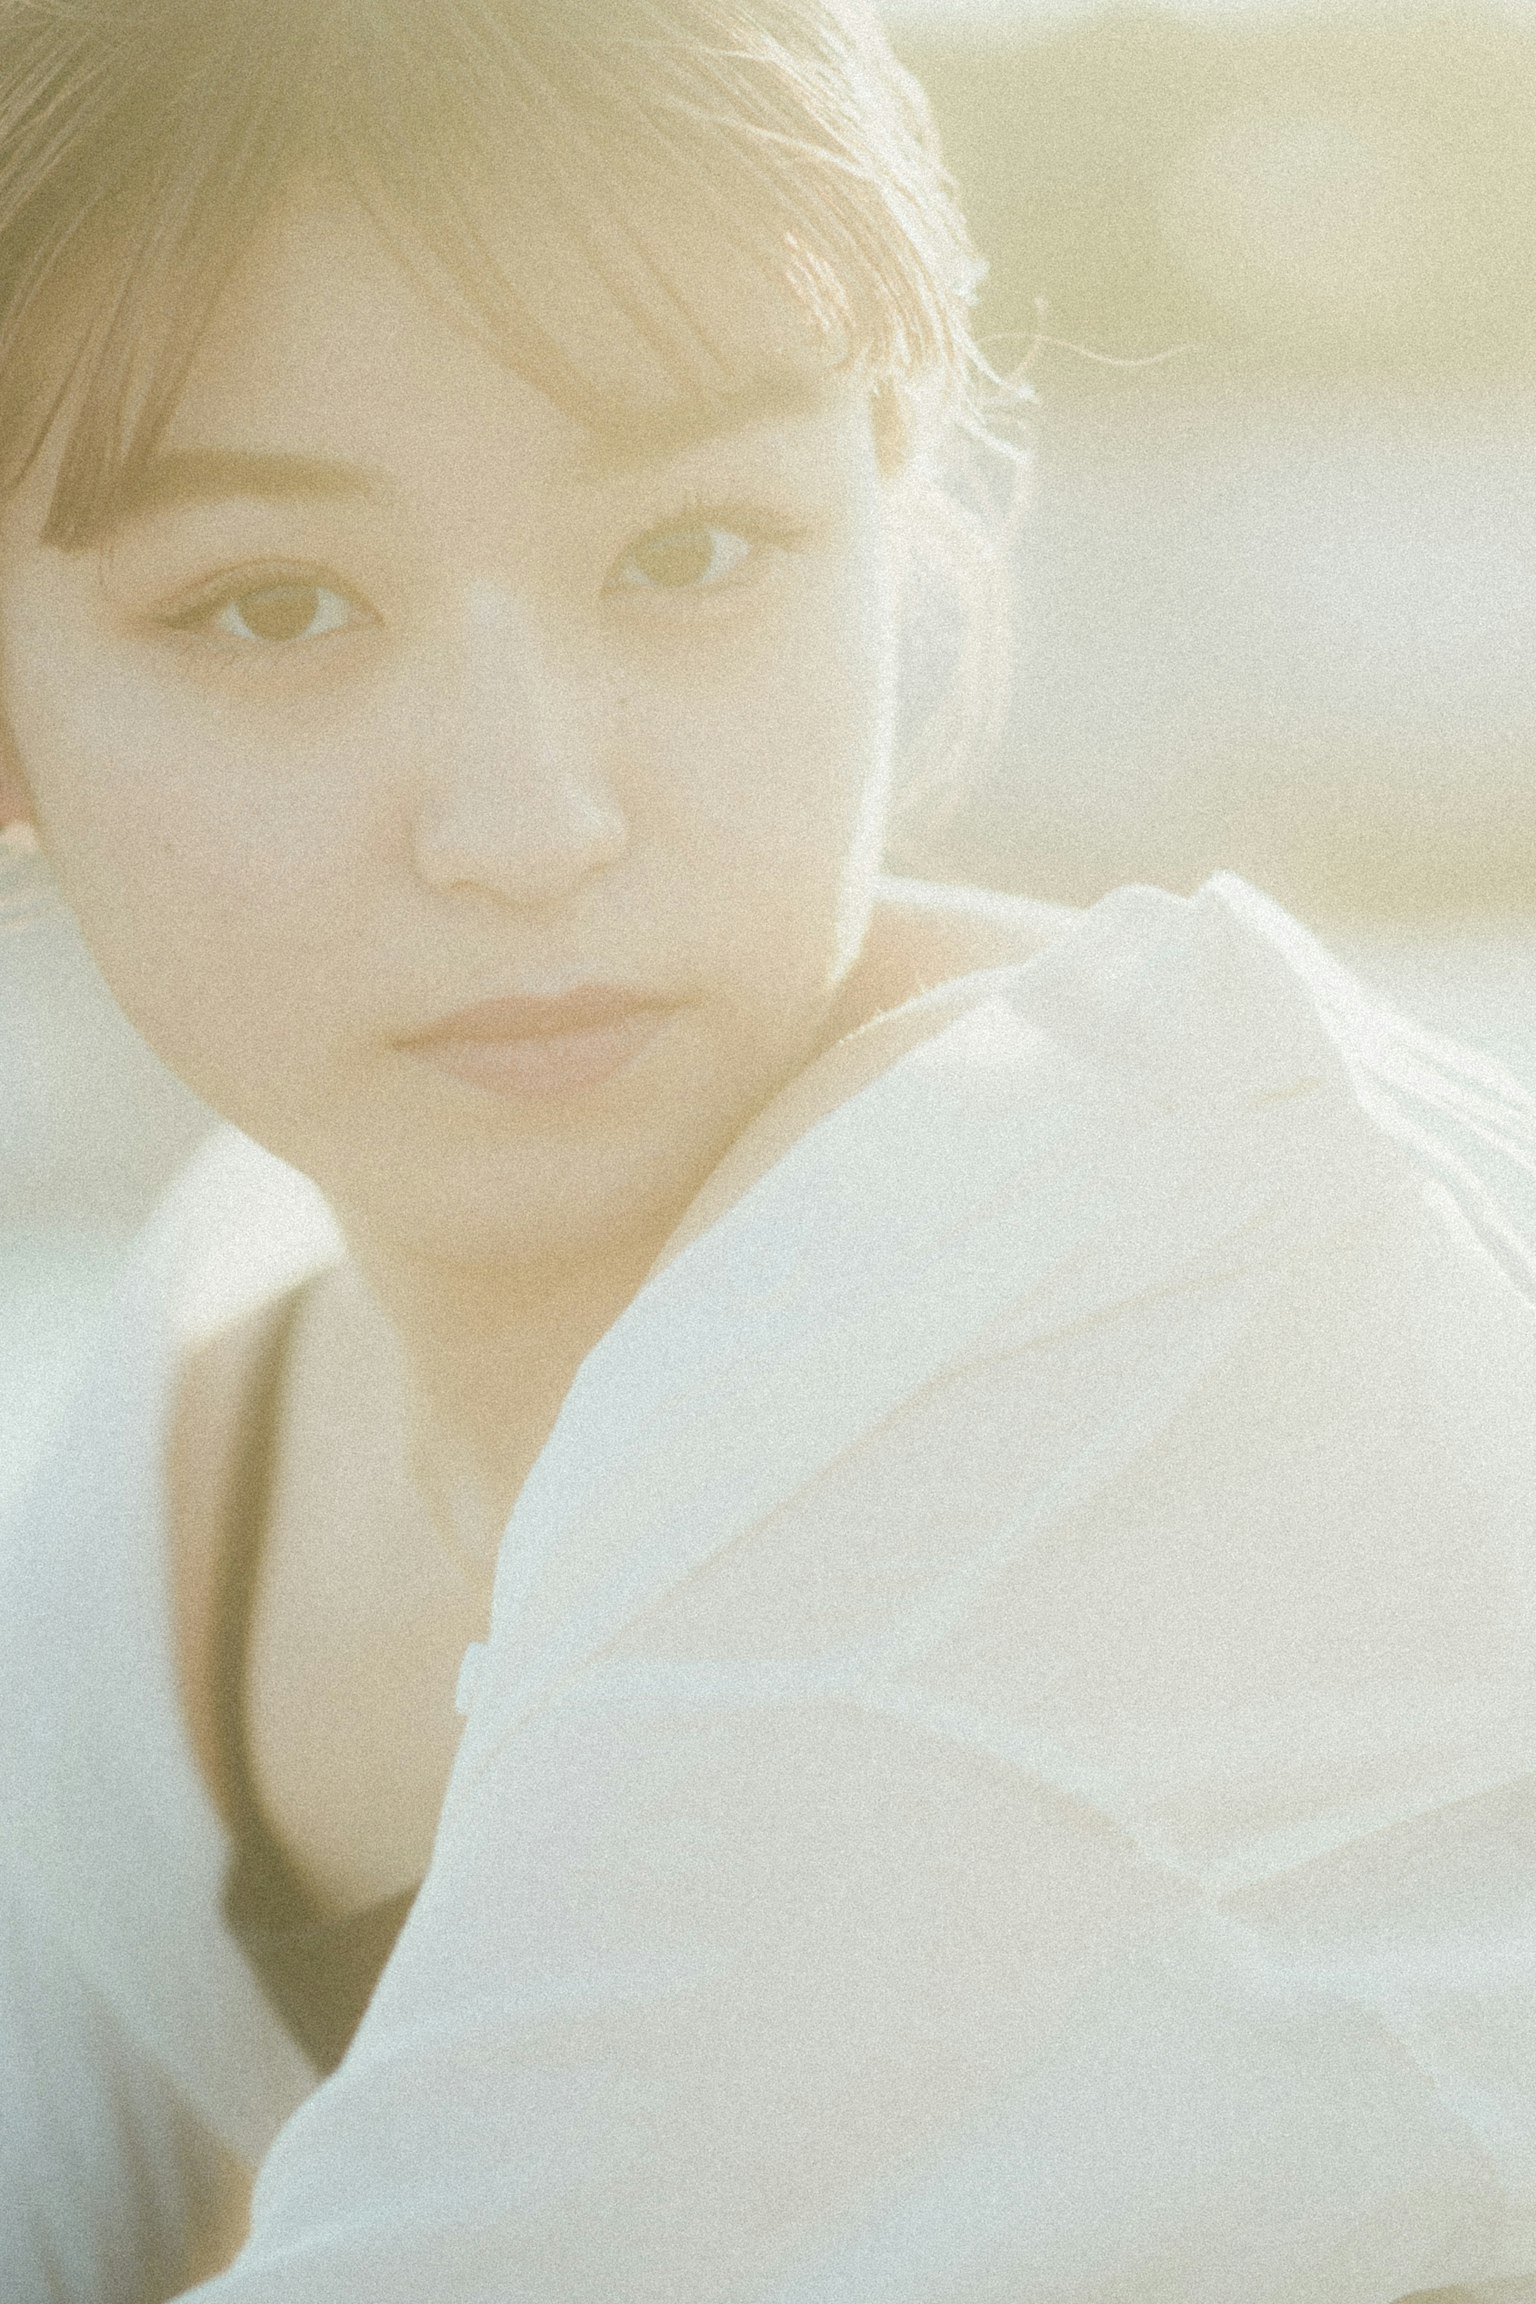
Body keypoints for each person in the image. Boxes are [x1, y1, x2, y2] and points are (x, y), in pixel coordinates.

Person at [2, 1, 1535, 2297]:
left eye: (698, 549)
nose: (534, 822)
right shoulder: (217, 1379)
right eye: (273, 606)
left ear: (898, 512)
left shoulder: (1141, 1302)